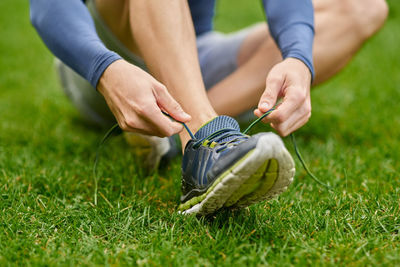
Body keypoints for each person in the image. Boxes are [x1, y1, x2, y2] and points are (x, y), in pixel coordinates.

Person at [29, 0, 388, 215]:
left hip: (189, 53)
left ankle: (178, 131)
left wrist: (296, 55)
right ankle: (202, 142)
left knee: (364, 8)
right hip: (105, 57)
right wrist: (104, 69)